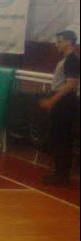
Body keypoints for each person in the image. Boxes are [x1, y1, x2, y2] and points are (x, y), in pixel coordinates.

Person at [39, 30, 80, 186]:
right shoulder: (67, 60)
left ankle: (62, 176)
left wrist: (52, 100)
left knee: (62, 139)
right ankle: (59, 173)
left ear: (69, 42)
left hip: (65, 102)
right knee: (58, 138)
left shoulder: (72, 60)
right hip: (61, 102)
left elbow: (71, 84)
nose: (57, 44)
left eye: (59, 41)